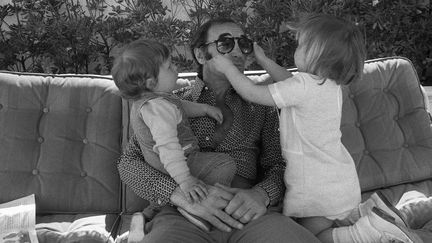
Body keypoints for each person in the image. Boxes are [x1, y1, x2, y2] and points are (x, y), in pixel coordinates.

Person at [210, 13, 417, 243]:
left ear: (319, 55)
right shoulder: (327, 85)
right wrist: (265, 60)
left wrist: (228, 68)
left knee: (313, 237)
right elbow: (287, 80)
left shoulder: (303, 87)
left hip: (317, 187)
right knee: (333, 222)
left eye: (301, 45)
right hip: (337, 180)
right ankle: (373, 214)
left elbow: (251, 93)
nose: (296, 49)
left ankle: (368, 232)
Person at [117, 17, 322, 242]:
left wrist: (261, 195)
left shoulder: (263, 105)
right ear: (200, 54)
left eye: (243, 44)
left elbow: (280, 163)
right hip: (182, 215)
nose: (237, 53)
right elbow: (128, 163)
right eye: (225, 44)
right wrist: (178, 194)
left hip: (248, 213)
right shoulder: (166, 105)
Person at [111, 39, 237, 231]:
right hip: (177, 161)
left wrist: (204, 108)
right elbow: (168, 147)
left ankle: (145, 217)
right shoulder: (159, 110)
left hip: (160, 165)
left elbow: (179, 107)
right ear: (151, 82)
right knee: (225, 164)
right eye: (170, 66)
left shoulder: (152, 102)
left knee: (163, 198)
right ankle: (199, 206)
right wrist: (185, 181)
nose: (176, 67)